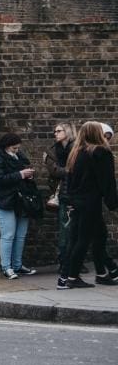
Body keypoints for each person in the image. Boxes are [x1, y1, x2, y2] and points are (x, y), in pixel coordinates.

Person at [60, 121, 118, 289]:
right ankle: (72, 277)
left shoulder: (76, 153)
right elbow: (107, 181)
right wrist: (112, 202)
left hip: (77, 201)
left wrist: (70, 200)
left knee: (99, 235)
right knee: (83, 240)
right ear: (96, 133)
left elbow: (68, 180)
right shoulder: (101, 152)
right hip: (90, 202)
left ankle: (101, 274)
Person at [0, 133, 37, 280]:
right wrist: (21, 174)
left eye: (18, 147)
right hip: (4, 201)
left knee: (20, 235)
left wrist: (29, 175)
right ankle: (6, 267)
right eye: (14, 147)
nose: (17, 150)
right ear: (7, 146)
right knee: (8, 235)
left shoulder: (19, 156)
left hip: (21, 200)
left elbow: (25, 168)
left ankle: (17, 265)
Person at [44, 122, 75, 275]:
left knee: (78, 231)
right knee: (64, 231)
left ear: (67, 132)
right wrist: (69, 170)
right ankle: (64, 263)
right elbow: (54, 171)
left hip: (78, 193)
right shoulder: (51, 151)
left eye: (58, 131)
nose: (55, 133)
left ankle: (76, 262)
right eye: (54, 131)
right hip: (63, 194)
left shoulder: (76, 148)